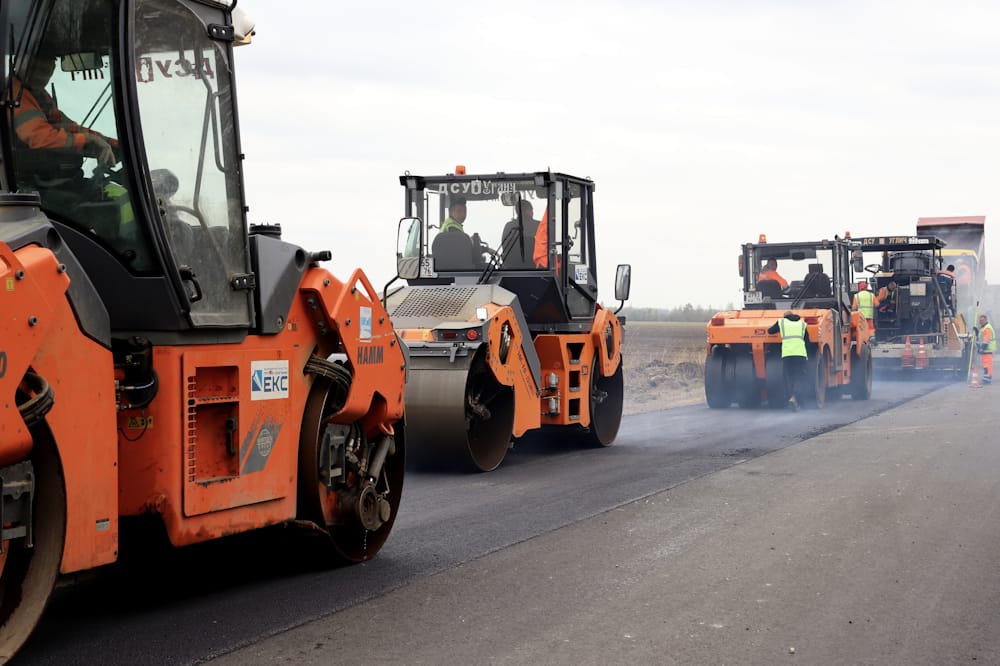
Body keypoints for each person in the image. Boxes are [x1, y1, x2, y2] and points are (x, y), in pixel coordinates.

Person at [12, 54, 118, 168]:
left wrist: (110, 142)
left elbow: (70, 127)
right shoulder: (15, 95)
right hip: (22, 173)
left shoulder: (37, 94)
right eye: (39, 69)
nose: (42, 78)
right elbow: (41, 138)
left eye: (47, 72)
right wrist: (88, 140)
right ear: (20, 63)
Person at [767, 311, 808, 411]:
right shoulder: (802, 324)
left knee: (788, 378)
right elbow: (807, 341)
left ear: (785, 317)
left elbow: (770, 331)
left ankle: (791, 397)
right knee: (799, 378)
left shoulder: (782, 322)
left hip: (788, 355)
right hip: (800, 354)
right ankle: (795, 398)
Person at [975, 314, 995, 384]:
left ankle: (987, 379)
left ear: (986, 320)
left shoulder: (987, 328)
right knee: (985, 365)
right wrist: (977, 333)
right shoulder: (982, 328)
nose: (981, 322)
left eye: (982, 320)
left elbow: (986, 340)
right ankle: (986, 378)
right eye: (980, 320)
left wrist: (982, 348)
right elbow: (980, 338)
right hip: (985, 350)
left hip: (987, 349)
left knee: (987, 365)